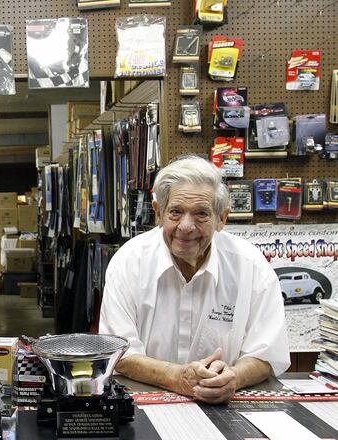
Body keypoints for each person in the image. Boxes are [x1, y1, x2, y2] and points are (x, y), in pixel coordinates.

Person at [99, 155, 289, 404]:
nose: (186, 227)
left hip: (224, 406)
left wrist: (233, 377)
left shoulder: (251, 266)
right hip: (144, 402)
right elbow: (119, 353)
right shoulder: (128, 263)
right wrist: (176, 377)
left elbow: (267, 353)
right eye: (176, 212)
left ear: (222, 218)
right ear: (158, 213)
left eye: (201, 214)